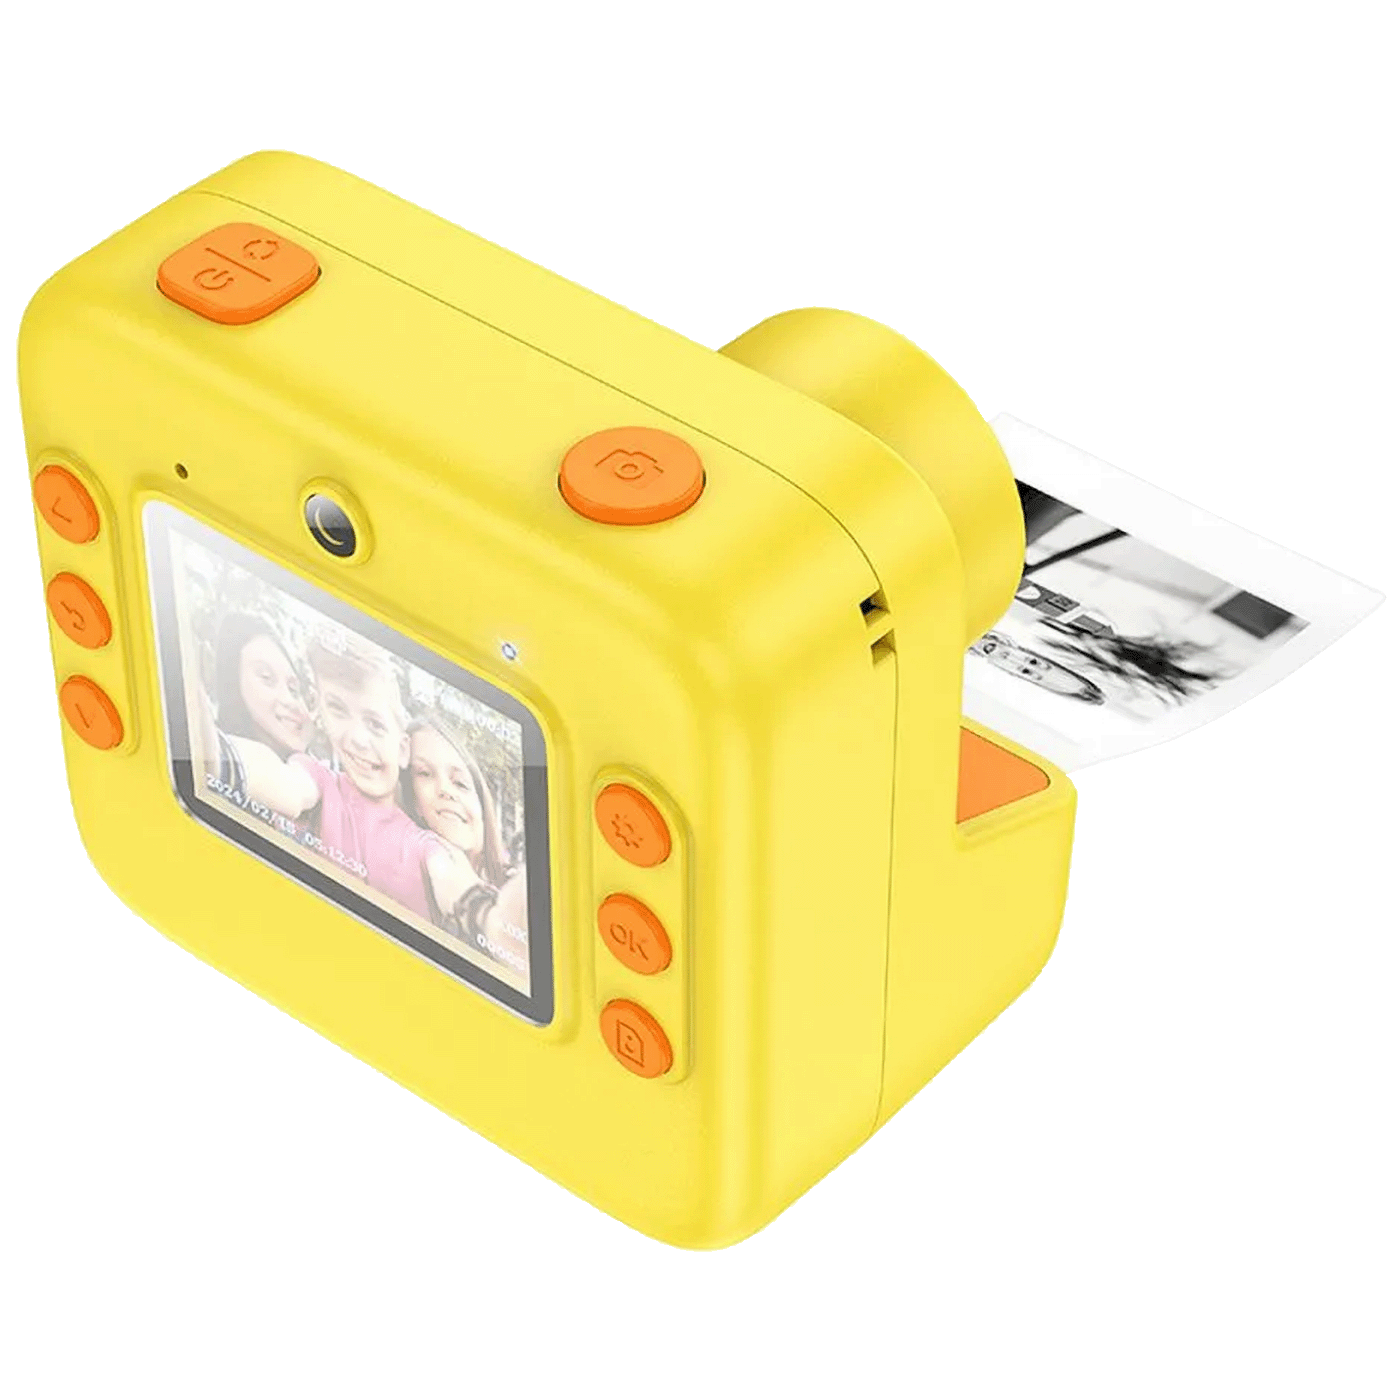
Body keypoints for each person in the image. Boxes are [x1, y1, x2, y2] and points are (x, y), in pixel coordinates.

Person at [228, 635, 478, 923]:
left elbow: (449, 876)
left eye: (375, 724)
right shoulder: (318, 780)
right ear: (320, 713)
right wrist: (216, 754)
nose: (358, 739)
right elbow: (285, 784)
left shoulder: (422, 843)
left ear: (403, 749)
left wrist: (478, 909)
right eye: (338, 711)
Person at [401, 720, 529, 970]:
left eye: (460, 783)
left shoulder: (515, 881)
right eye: (424, 774)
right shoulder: (412, 869)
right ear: (408, 793)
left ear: (481, 804)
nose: (446, 791)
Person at [201, 615, 312, 797]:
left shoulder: (329, 783)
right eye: (267, 678)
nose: (290, 701)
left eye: (294, 690)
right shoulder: (212, 757)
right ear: (233, 686)